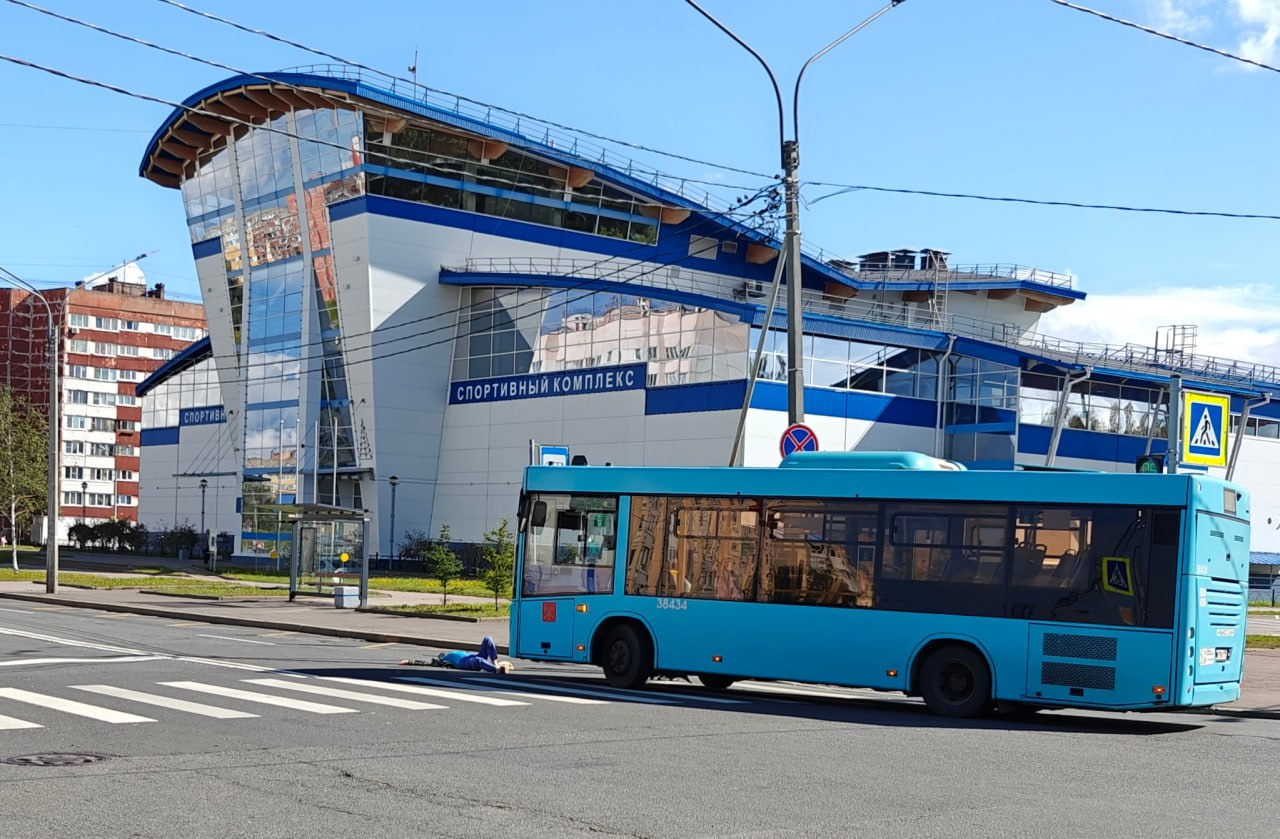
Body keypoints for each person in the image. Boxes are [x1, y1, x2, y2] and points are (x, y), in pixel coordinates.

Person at [402, 635, 514, 673]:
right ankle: (497, 670)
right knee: (479, 662)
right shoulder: (442, 661)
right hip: (465, 663)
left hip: (472, 656)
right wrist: (410, 662)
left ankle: (495, 663)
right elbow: (427, 663)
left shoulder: (451, 654)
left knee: (487, 638)